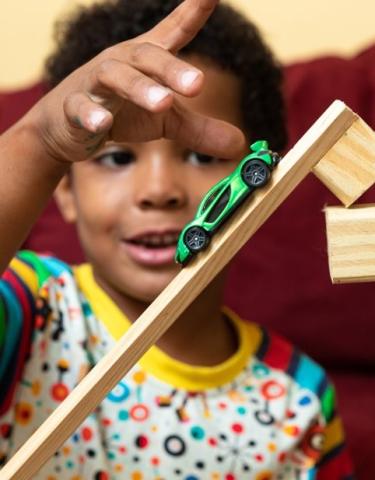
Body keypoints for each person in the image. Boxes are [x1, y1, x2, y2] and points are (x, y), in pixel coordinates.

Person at [0, 0, 353, 478]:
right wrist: (40, 143)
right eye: (118, 160)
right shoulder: (31, 306)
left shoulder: (300, 396)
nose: (158, 192)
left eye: (201, 157)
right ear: (65, 188)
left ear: (269, 180)